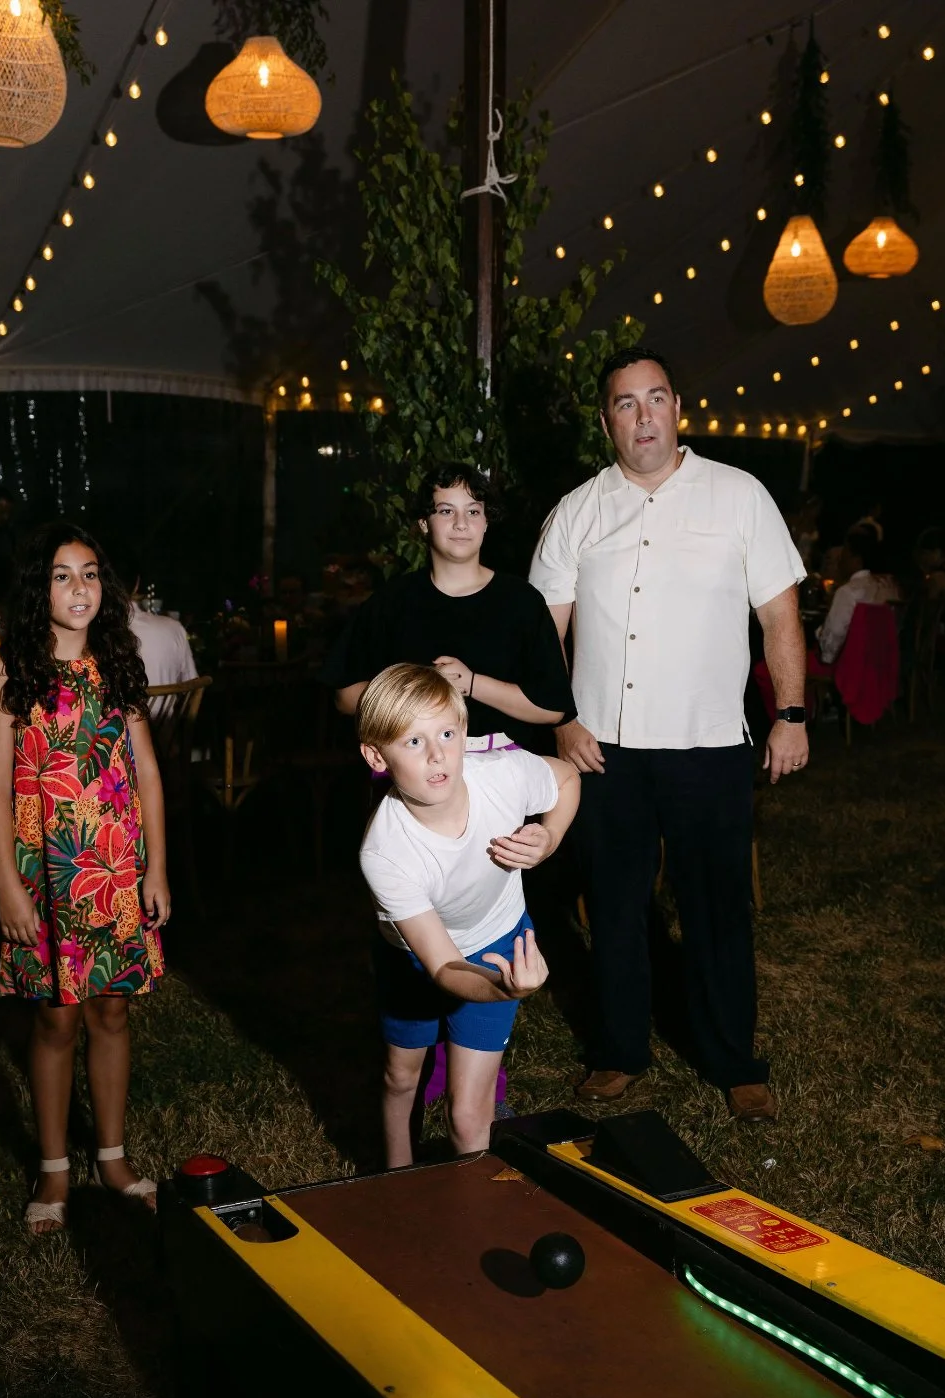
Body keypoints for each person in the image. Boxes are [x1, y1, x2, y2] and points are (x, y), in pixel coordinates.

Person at [529, 346, 807, 1123]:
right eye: (626, 402)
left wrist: (789, 715)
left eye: (656, 398)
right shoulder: (576, 511)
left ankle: (734, 1060)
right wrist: (563, 722)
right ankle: (619, 1052)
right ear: (607, 419)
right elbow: (542, 633)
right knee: (614, 909)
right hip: (602, 751)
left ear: (679, 407)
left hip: (710, 745)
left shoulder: (739, 496)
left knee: (717, 909)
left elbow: (779, 616)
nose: (643, 415)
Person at [0, 523, 169, 1235]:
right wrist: (6, 882)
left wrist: (157, 866)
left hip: (115, 868)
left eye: (90, 573)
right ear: (39, 588)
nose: (80, 587)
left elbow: (146, 770)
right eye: (63, 574)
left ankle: (113, 1156)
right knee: (56, 1014)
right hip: (46, 871)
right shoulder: (7, 667)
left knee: (112, 1009)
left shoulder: (118, 662)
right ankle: (55, 1165)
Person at [357, 663, 579, 1168]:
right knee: (401, 1076)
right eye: (412, 743)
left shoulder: (500, 773)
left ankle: (472, 1214)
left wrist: (547, 839)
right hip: (414, 956)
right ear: (376, 755)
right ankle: (398, 1179)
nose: (437, 755)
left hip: (499, 939)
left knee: (468, 1117)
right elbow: (443, 967)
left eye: (447, 734)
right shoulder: (386, 852)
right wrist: (508, 989)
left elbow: (566, 778)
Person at [326, 462, 576, 752]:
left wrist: (470, 683)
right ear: (423, 523)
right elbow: (344, 698)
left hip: (502, 767)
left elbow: (552, 708)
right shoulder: (391, 601)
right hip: (412, 766)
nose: (461, 523)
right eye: (446, 511)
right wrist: (418, 689)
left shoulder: (522, 601)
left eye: (473, 511)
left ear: (486, 522)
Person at [112, 547, 198, 698]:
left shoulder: (92, 633)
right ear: (137, 583)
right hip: (168, 721)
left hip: (114, 720)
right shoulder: (175, 628)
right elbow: (191, 686)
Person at [817, 532, 901, 665]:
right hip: (882, 666)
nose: (840, 560)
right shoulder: (889, 589)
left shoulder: (848, 592)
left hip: (849, 669)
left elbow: (833, 641)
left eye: (844, 554)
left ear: (856, 559)